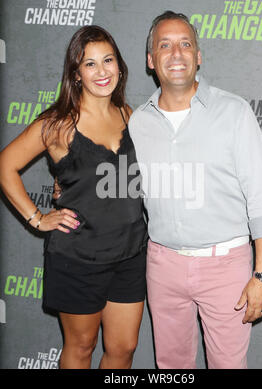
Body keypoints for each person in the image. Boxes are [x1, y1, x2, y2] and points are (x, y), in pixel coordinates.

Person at [128, 11, 262, 369]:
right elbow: (121, 186)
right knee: (171, 367)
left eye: (185, 44)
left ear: (199, 56)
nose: (176, 53)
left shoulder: (234, 112)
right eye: (164, 45)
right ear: (151, 60)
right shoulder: (138, 123)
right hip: (162, 265)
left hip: (225, 267)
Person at [0, 25, 148, 369]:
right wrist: (36, 218)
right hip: (78, 257)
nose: (102, 71)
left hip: (130, 254)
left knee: (124, 348)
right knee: (81, 347)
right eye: (90, 64)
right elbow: (6, 165)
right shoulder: (58, 125)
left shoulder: (129, 114)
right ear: (76, 74)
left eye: (108, 60)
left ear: (120, 66)